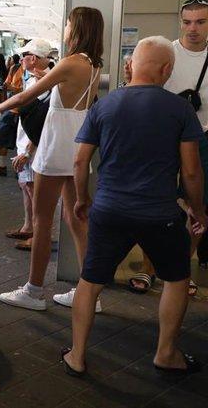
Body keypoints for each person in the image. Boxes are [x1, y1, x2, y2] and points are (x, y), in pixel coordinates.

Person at [61, 36, 206, 378]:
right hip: (160, 214)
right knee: (176, 279)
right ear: (167, 69)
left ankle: (77, 356)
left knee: (90, 281)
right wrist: (198, 210)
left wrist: (82, 199)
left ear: (132, 65)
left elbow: (80, 162)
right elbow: (191, 170)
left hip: (109, 209)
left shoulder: (104, 107)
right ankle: (166, 354)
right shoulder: (180, 109)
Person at [0, 7, 103, 311]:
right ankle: (89, 293)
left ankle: (33, 291)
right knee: (76, 219)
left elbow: (22, 97)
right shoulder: (93, 65)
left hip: (55, 146)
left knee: (43, 221)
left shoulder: (70, 63)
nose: (66, 29)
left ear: (77, 28)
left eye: (69, 24)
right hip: (78, 146)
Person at [159, 0, 208, 296]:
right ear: (180, 22)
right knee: (158, 205)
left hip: (204, 140)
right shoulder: (167, 52)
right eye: (187, 21)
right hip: (165, 138)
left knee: (198, 207)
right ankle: (152, 268)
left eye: (200, 22)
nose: (193, 28)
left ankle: (182, 269)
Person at [4, 40, 51, 250]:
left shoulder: (43, 83)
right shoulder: (36, 79)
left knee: (34, 190)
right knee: (25, 185)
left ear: (33, 58)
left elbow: (42, 120)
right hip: (27, 144)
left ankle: (38, 237)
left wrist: (27, 151)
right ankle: (28, 227)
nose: (21, 60)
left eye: (24, 56)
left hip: (32, 147)